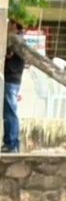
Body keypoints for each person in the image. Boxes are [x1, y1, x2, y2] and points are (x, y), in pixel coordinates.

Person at [2, 20, 22, 153]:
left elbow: (7, 54)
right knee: (8, 112)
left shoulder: (14, 40)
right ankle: (10, 142)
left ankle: (12, 143)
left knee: (10, 112)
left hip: (11, 79)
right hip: (11, 79)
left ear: (14, 26)